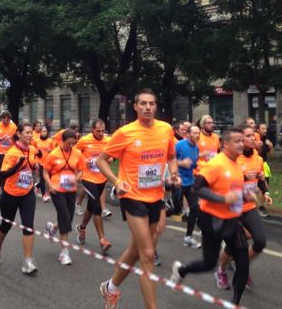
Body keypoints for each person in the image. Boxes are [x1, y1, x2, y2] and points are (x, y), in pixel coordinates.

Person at [96, 88, 180, 309]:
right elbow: (102, 161)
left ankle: (110, 288)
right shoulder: (125, 133)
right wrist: (116, 182)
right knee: (148, 255)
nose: (148, 107)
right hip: (132, 196)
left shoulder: (166, 129)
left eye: (152, 103)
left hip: (156, 196)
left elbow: (171, 156)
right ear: (135, 107)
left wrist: (173, 173)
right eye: (143, 103)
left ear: (156, 106)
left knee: (136, 251)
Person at [169, 127, 250, 307]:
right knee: (209, 263)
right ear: (225, 144)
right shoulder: (216, 164)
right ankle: (182, 270)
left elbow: (231, 188)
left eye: (242, 141)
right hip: (212, 220)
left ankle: (235, 303)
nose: (241, 144)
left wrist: (245, 195)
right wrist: (223, 199)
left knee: (243, 263)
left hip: (233, 221)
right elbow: (197, 188)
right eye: (237, 141)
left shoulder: (237, 163)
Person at [216, 123, 271, 290]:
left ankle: (240, 265)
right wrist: (243, 176)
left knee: (260, 241)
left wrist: (265, 192)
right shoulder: (231, 158)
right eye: (248, 136)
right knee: (235, 245)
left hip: (248, 207)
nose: (252, 139)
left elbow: (260, 178)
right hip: (231, 208)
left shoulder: (258, 157)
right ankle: (222, 270)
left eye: (253, 136)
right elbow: (222, 181)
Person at [0, 122, 39, 275]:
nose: (30, 135)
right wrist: (17, 166)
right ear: (19, 134)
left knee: (28, 225)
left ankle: (28, 261)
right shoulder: (12, 152)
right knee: (6, 225)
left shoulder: (32, 149)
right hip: (10, 194)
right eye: (27, 132)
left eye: (31, 132)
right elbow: (1, 176)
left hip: (27, 193)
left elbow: (34, 164)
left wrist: (36, 167)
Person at [43, 129, 86, 265]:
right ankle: (64, 253)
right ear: (62, 141)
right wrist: (50, 186)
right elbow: (45, 172)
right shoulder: (54, 154)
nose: (70, 146)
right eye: (68, 143)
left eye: (73, 143)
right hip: (57, 189)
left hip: (71, 189)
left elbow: (81, 170)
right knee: (65, 218)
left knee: (68, 218)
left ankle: (53, 227)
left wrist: (76, 179)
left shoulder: (77, 153)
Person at [75, 119, 113, 254]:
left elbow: (113, 155)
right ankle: (103, 240)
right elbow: (74, 153)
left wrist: (111, 159)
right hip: (87, 178)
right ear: (92, 129)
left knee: (91, 207)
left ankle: (82, 227)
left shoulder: (108, 141)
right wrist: (83, 162)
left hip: (101, 178)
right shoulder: (85, 140)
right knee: (97, 206)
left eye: (103, 131)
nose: (101, 133)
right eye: (98, 131)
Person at [174, 124, 201, 248]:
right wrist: (181, 163)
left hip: (189, 182)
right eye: (194, 133)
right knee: (175, 210)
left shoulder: (196, 148)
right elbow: (168, 160)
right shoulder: (179, 145)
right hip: (177, 181)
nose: (197, 135)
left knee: (195, 208)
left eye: (198, 133)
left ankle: (188, 237)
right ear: (188, 134)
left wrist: (197, 166)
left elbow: (192, 163)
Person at [34, 126, 54, 202]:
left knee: (48, 178)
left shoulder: (50, 141)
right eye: (43, 131)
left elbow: (54, 151)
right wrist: (37, 154)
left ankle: (37, 186)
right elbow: (33, 151)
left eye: (45, 131)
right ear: (40, 132)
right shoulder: (36, 141)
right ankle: (44, 195)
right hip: (40, 162)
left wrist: (50, 151)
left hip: (48, 162)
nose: (44, 133)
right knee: (42, 179)